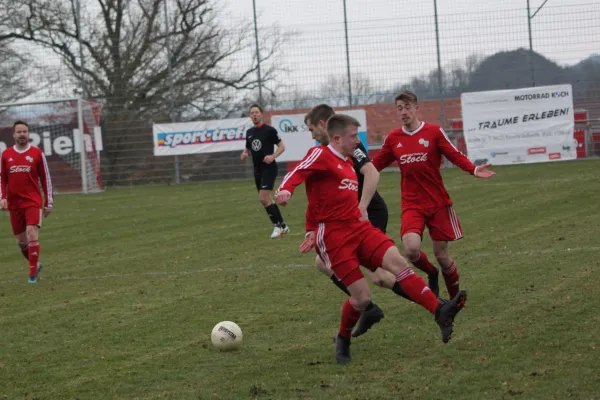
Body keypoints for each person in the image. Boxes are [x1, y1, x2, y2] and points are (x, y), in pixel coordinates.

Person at [275, 113, 467, 365]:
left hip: (358, 227)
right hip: (334, 237)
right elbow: (298, 172)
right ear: (337, 138)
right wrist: (286, 190)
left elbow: (323, 195)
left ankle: (440, 311)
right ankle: (343, 338)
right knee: (362, 297)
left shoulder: (348, 161)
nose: (358, 141)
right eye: (353, 136)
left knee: (398, 264)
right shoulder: (322, 155)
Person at [371, 90, 496, 300]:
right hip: (412, 204)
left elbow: (454, 155)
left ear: (416, 108)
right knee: (411, 250)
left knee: (442, 256)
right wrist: (351, 176)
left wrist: (473, 169)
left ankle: (455, 300)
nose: (403, 112)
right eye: (399, 108)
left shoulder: (434, 132)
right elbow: (374, 166)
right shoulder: (394, 138)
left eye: (407, 107)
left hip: (437, 203)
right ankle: (431, 272)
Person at [303, 104, 414, 339]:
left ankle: (436, 305)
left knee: (380, 276)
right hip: (346, 220)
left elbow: (372, 173)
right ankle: (369, 308)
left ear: (323, 125)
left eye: (312, 129)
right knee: (324, 263)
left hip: (368, 213)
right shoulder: (326, 151)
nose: (311, 135)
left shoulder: (349, 144)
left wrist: (361, 206)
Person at [0, 120, 54, 283]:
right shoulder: (6, 154)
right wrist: (2, 197)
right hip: (14, 204)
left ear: (28, 134)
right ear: (14, 134)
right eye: (19, 132)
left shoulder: (37, 153)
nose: (22, 134)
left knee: (31, 232)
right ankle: (35, 264)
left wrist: (48, 201)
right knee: (22, 243)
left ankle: (32, 274)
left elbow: (45, 178)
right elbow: (2, 178)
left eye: (25, 131)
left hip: (32, 201)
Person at [240, 104, 290, 239]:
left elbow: (282, 146)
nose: (254, 115)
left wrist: (273, 156)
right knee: (265, 200)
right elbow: (248, 147)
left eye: (256, 112)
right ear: (250, 116)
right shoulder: (249, 133)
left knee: (263, 197)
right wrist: (245, 153)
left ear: (261, 114)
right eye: (252, 113)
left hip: (269, 168)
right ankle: (283, 226)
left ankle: (277, 226)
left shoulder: (270, 131)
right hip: (257, 170)